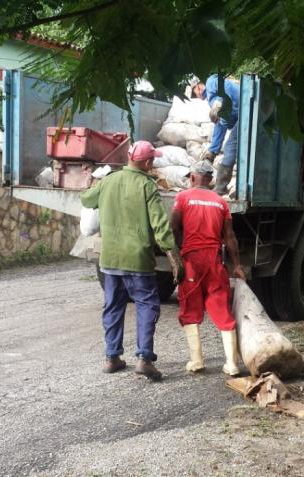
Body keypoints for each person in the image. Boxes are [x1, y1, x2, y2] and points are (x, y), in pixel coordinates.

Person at [80, 141, 183, 381]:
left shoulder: (108, 181)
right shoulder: (147, 186)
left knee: (113, 306)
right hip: (138, 261)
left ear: (129, 157)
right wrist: (173, 254)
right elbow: (160, 225)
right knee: (146, 306)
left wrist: (92, 184)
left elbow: (86, 200)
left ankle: (112, 357)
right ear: (147, 163)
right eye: (153, 161)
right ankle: (144, 359)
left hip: (110, 259)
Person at [170, 160, 247, 376]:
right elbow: (230, 237)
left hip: (192, 261)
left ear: (192, 178)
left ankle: (197, 361)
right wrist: (238, 266)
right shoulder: (221, 202)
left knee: (190, 308)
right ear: (211, 180)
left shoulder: (182, 198)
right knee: (221, 307)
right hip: (215, 261)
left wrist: (179, 252)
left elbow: (174, 227)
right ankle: (232, 364)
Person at [192, 74, 240, 196]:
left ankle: (220, 188)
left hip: (247, 113)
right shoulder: (211, 100)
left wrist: (219, 102)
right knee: (236, 150)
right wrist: (212, 151)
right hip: (242, 118)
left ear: (198, 87)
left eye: (194, 93)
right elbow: (220, 125)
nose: (196, 96)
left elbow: (225, 87)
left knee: (230, 147)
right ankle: (228, 188)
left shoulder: (211, 82)